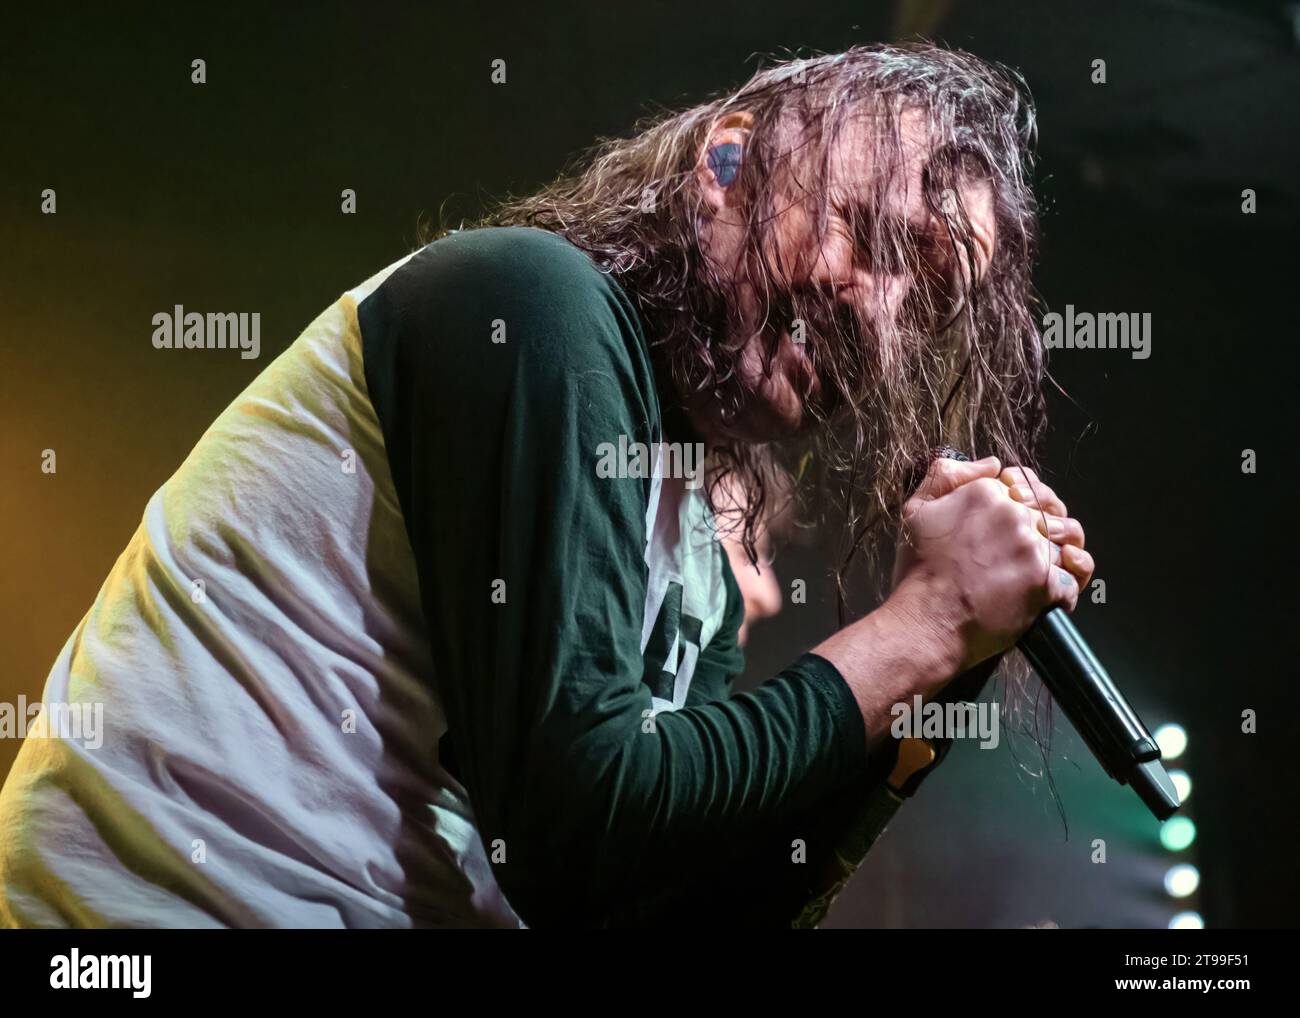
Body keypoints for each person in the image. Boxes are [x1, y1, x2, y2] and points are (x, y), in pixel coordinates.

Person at [0, 43, 1092, 928]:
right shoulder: (523, 303)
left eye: (930, 299)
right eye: (865, 232)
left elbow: (652, 901)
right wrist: (920, 625)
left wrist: (940, 680)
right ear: (724, 168)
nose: (879, 314)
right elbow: (578, 825)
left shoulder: (697, 561)